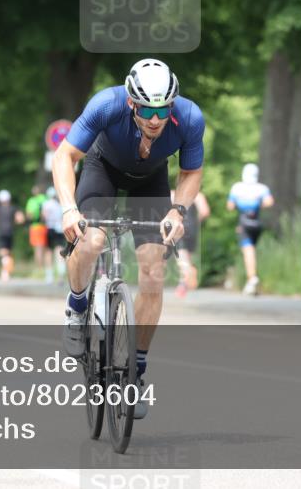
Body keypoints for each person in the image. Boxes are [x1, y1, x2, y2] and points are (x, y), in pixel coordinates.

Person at [52, 58, 205, 420]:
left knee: (153, 272)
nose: (156, 118)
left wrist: (177, 211)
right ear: (132, 102)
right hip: (102, 169)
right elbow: (65, 156)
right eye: (148, 109)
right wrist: (69, 208)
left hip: (150, 181)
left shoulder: (191, 117)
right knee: (89, 242)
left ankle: (135, 372)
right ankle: (76, 308)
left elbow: (191, 171)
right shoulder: (106, 104)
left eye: (163, 109)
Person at [227, 164, 275, 295]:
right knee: (252, 249)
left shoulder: (237, 187)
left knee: (248, 251)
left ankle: (252, 278)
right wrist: (256, 202)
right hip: (257, 222)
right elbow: (269, 202)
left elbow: (230, 206)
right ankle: (251, 280)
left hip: (244, 222)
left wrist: (241, 202)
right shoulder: (261, 188)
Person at [172, 189, 210, 297]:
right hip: (193, 227)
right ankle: (184, 279)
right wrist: (197, 220)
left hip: (180, 227)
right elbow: (205, 211)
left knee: (181, 258)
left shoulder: (174, 194)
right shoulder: (198, 195)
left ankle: (184, 283)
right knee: (187, 257)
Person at [0, 190, 25, 282]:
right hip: (10, 232)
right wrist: (15, 222)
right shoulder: (13, 208)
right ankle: (7, 271)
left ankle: (5, 272)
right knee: (8, 252)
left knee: (2, 253)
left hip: (1, 232)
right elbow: (20, 219)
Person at [42, 186, 66, 285]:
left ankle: (49, 276)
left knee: (48, 252)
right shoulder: (60, 204)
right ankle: (61, 275)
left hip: (50, 228)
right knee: (59, 252)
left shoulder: (46, 204)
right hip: (59, 229)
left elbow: (44, 216)